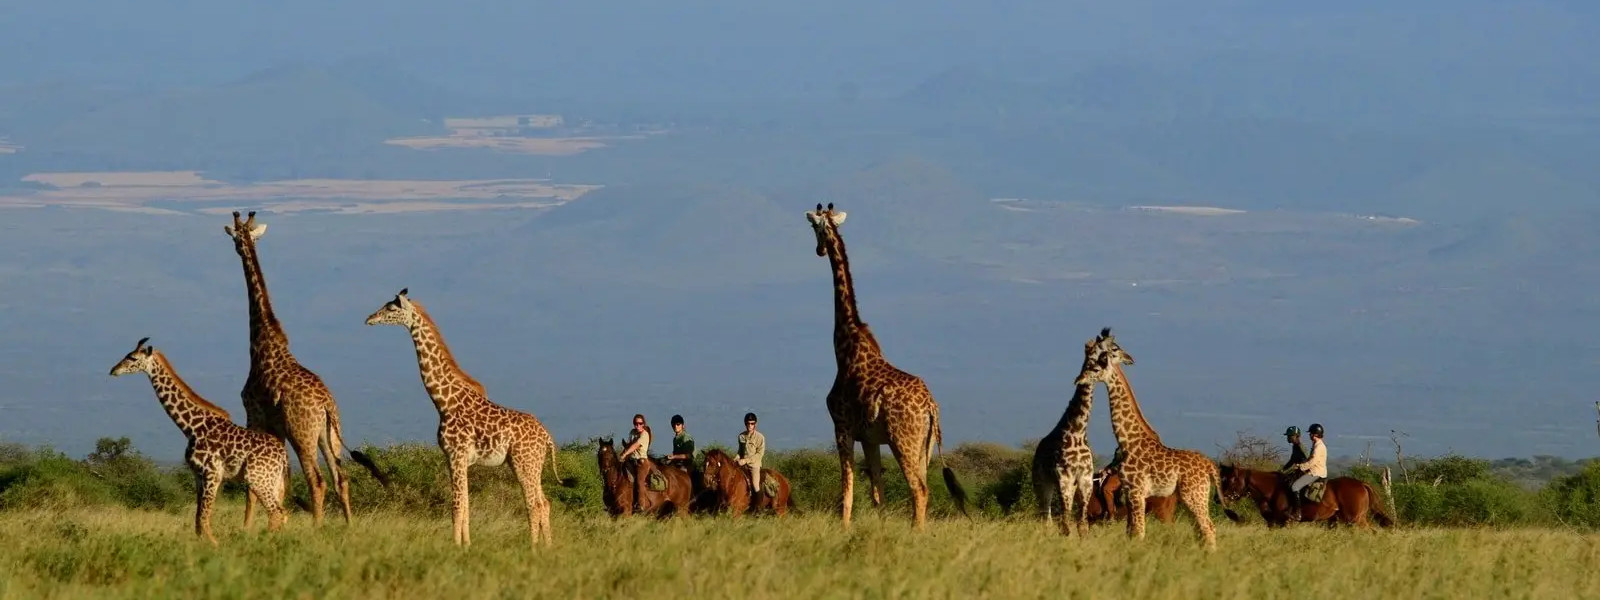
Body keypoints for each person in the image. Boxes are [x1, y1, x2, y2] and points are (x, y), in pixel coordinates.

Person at [1286, 423, 1327, 520]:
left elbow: (1312, 461)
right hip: (1314, 471)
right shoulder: (1317, 445)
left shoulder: (1319, 446)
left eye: (1311, 434)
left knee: (1295, 487)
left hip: (1316, 472)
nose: (1309, 435)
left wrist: (1301, 467)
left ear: (1315, 434)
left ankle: (1298, 513)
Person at [618, 414, 653, 513]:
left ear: (643, 424)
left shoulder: (644, 434)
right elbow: (629, 444)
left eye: (640, 423)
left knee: (639, 482)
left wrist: (624, 454)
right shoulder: (632, 432)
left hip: (641, 463)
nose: (638, 425)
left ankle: (641, 505)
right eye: (636, 423)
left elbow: (635, 446)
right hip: (631, 461)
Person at [735, 412, 766, 498]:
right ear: (745, 424)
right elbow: (740, 451)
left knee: (755, 485)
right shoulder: (741, 436)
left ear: (755, 424)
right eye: (748, 423)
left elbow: (759, 454)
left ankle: (759, 507)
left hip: (754, 465)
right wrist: (736, 458)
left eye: (752, 423)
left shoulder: (760, 437)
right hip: (741, 463)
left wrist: (745, 460)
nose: (750, 425)